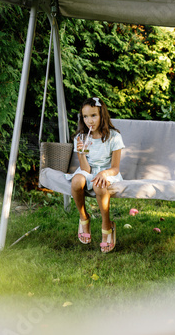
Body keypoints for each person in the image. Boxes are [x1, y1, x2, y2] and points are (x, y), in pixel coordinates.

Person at [65, 97, 124, 253]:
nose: (89, 121)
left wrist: (104, 173)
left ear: (102, 115)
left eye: (93, 115)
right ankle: (84, 217)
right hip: (89, 171)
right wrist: (82, 154)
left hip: (107, 172)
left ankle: (107, 224)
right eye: (85, 117)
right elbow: (85, 169)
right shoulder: (81, 138)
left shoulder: (114, 137)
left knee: (99, 184)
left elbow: (115, 168)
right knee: (77, 181)